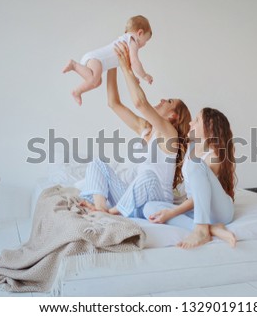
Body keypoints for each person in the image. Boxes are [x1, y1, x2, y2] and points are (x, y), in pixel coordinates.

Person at [79, 43, 191, 218]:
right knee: (97, 164)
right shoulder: (146, 129)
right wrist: (112, 63)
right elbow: (113, 103)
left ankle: (112, 212)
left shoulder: (170, 135)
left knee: (147, 176)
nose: (162, 99)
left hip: (157, 198)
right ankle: (101, 209)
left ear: (173, 117)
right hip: (136, 197)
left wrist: (126, 68)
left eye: (169, 101)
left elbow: (140, 103)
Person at [143, 107, 237, 249]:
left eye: (197, 120)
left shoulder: (214, 157)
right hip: (198, 211)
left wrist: (173, 211)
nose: (191, 123)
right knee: (150, 209)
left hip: (219, 211)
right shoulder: (191, 147)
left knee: (195, 163)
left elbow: (199, 196)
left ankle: (201, 231)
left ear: (209, 127)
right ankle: (211, 228)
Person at [62, 15, 153, 106]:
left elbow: (126, 65)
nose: (144, 44)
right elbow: (135, 62)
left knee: (97, 82)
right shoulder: (132, 41)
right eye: (146, 41)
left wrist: (133, 78)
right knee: (94, 80)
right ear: (140, 33)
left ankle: (77, 91)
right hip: (95, 60)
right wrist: (144, 75)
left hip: (93, 60)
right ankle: (74, 66)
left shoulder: (125, 41)